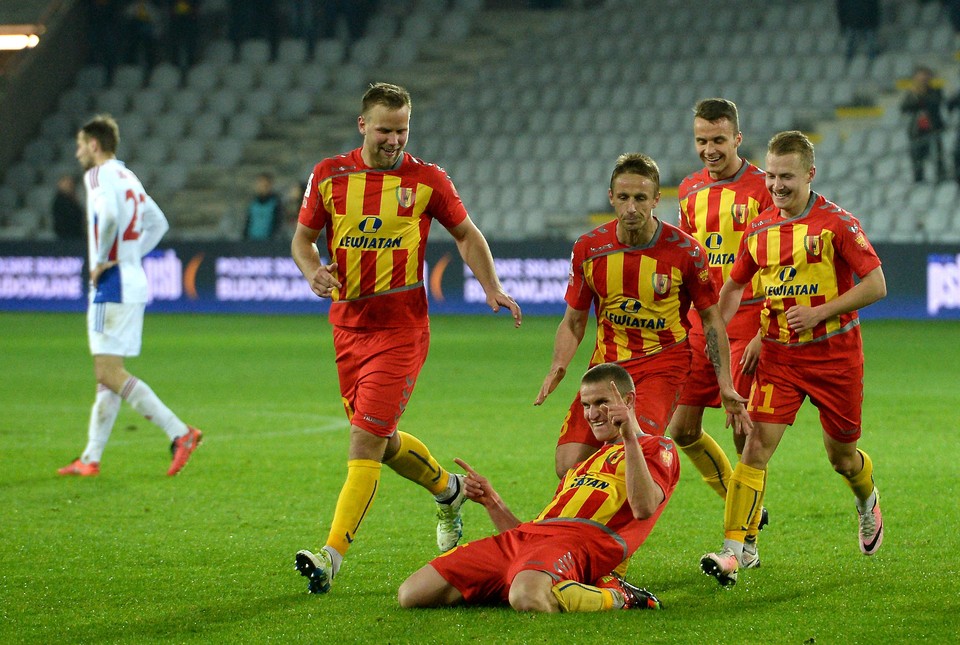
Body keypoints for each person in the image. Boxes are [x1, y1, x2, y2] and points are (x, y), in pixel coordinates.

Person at [291, 82, 522, 595]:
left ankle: (330, 557)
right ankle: (450, 489)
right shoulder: (330, 175)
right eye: (385, 130)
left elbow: (466, 233)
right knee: (383, 438)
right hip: (348, 329)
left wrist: (492, 286)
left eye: (403, 130)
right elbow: (303, 240)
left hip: (401, 332)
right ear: (362, 126)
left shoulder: (427, 179)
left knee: (364, 441)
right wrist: (312, 272)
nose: (395, 140)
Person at [700, 131, 886, 587]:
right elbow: (735, 287)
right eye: (772, 176)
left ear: (809, 175)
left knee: (841, 457)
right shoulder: (759, 228)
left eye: (787, 176)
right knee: (756, 447)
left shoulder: (837, 224)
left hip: (835, 358)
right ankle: (733, 550)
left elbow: (877, 285)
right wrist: (720, 332)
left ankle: (866, 499)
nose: (777, 185)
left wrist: (820, 311)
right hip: (780, 358)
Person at [535, 152, 751, 481]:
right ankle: (584, 528)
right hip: (606, 365)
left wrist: (725, 385)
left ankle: (623, 528)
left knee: (631, 452)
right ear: (611, 197)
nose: (631, 208)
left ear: (655, 199)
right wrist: (558, 364)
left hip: (662, 366)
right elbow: (574, 320)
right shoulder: (589, 249)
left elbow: (710, 319)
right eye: (623, 198)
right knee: (568, 466)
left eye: (640, 198)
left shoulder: (686, 251)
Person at [398, 363, 678, 613]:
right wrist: (492, 500)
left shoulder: (656, 447)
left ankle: (619, 597)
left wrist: (629, 436)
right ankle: (529, 582)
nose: (591, 414)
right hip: (527, 540)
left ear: (628, 401)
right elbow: (535, 532)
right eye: (586, 405)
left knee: (527, 597)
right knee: (413, 593)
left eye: (601, 403)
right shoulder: (581, 467)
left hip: (580, 543)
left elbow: (643, 508)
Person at [58, 114, 202, 478]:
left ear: (94, 145)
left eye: (80, 145)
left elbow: (106, 218)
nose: (77, 154)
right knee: (108, 375)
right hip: (132, 279)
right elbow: (159, 223)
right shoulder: (128, 176)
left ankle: (180, 432)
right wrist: (131, 256)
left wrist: (106, 259)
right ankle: (90, 458)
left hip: (114, 283)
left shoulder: (98, 175)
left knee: (108, 372)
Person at [669, 99, 775, 568]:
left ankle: (745, 544)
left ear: (738, 138)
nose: (709, 149)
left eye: (718, 140)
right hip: (700, 323)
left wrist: (764, 331)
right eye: (701, 141)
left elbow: (782, 259)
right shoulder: (689, 189)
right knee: (682, 429)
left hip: (751, 320)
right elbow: (688, 257)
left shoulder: (763, 187)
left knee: (743, 433)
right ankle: (743, 502)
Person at [900, 65, 947, 183]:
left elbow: (935, 103)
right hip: (917, 130)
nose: (923, 79)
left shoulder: (936, 91)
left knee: (937, 155)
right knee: (917, 156)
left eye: (925, 76)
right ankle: (919, 178)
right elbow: (905, 107)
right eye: (920, 76)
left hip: (934, 128)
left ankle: (941, 177)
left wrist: (919, 96)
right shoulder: (911, 93)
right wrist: (916, 97)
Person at [243, 172, 284, 241]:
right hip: (251, 241)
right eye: (260, 184)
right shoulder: (253, 203)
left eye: (265, 185)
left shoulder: (275, 203)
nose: (262, 187)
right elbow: (248, 222)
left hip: (268, 242)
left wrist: (273, 238)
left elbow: (278, 222)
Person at [51, 174, 86, 240]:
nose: (71, 186)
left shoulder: (72, 199)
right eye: (68, 184)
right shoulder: (60, 201)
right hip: (66, 235)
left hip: (75, 235)